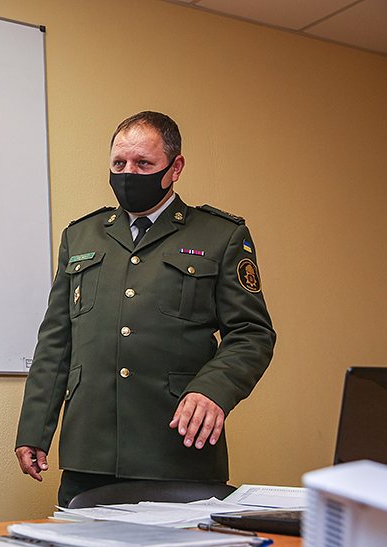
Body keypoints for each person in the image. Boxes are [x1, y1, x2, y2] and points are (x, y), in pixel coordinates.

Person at [14, 111, 276, 507]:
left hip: (176, 451)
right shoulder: (81, 236)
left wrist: (214, 390)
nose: (128, 174)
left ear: (175, 168)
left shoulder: (220, 236)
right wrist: (35, 429)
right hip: (90, 453)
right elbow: (56, 339)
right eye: (119, 163)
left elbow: (252, 334)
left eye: (143, 163)